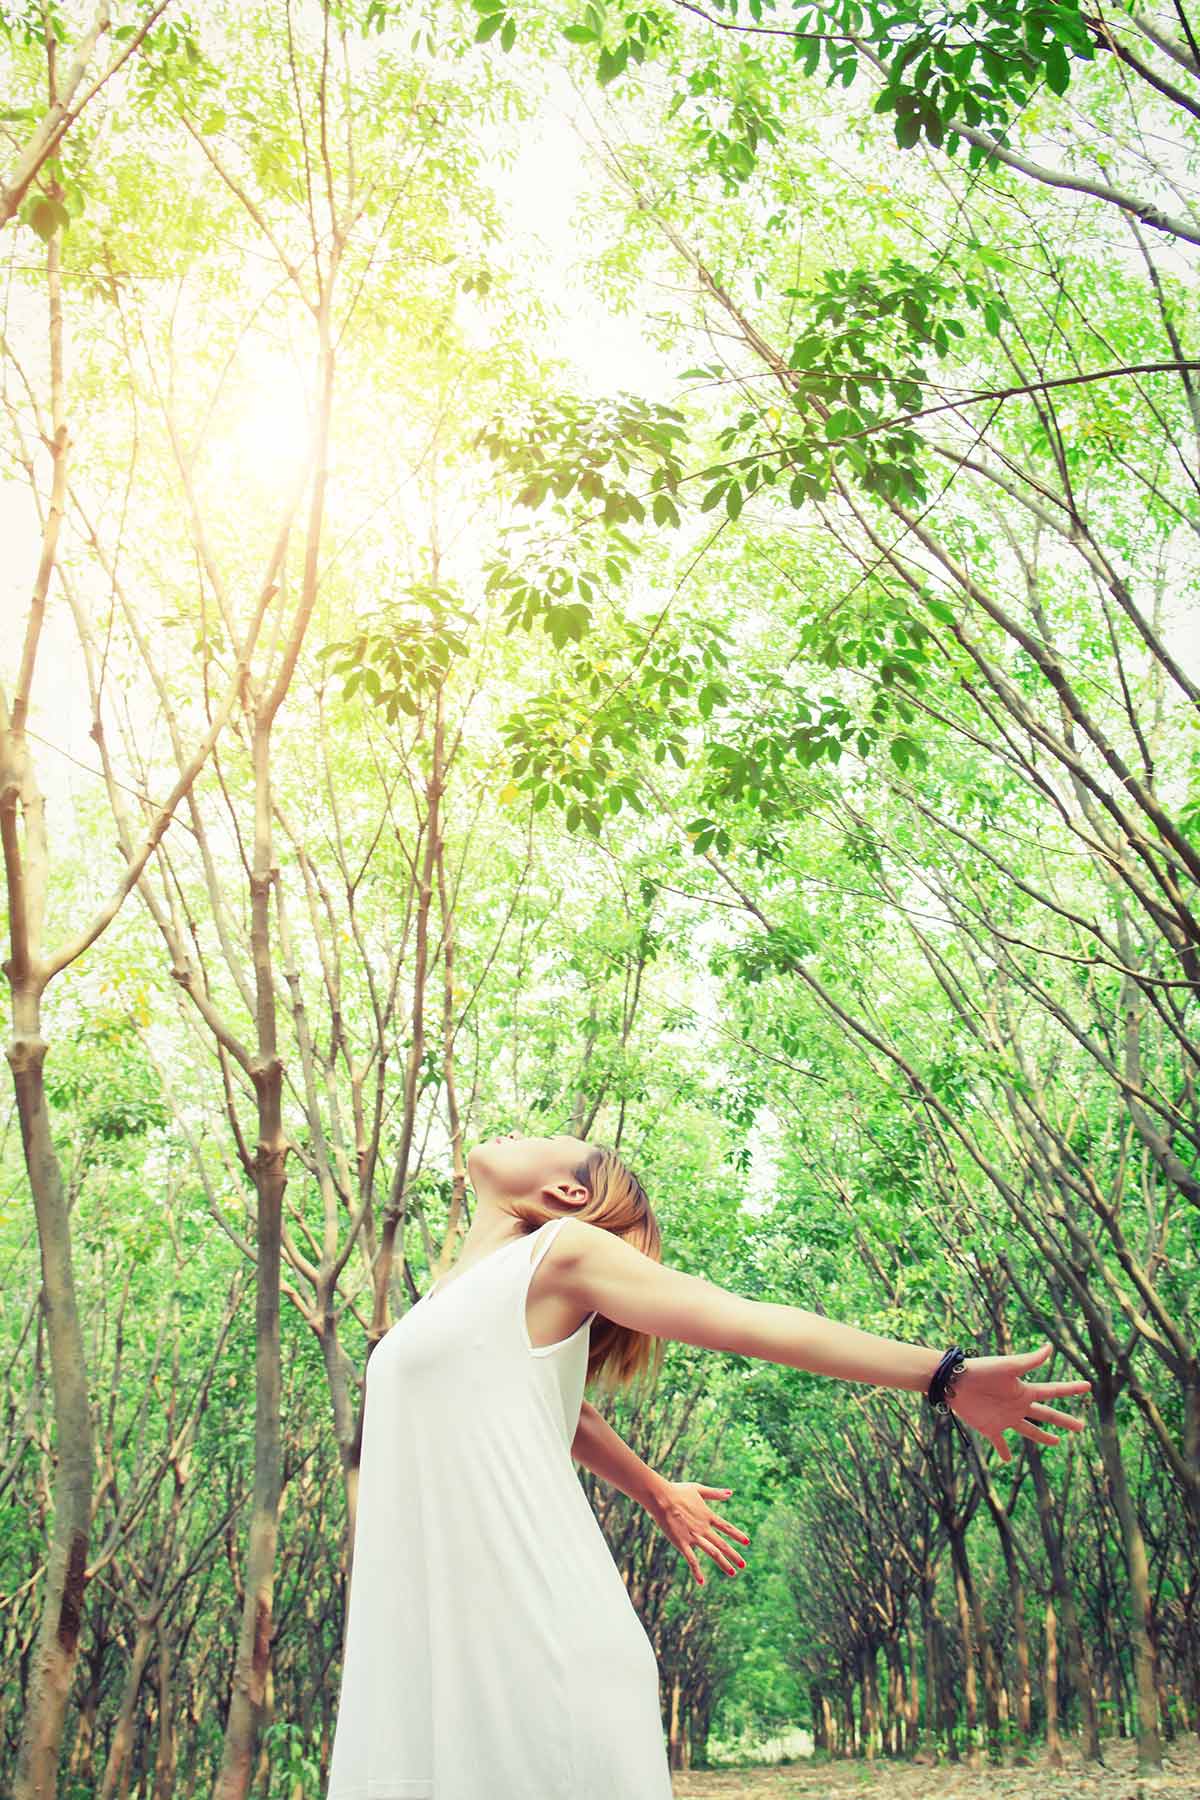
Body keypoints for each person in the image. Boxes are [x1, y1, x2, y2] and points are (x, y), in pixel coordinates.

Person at [325, 1132, 1091, 1800]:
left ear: (566, 1191)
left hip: (532, 1641)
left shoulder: (560, 1251)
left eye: (549, 1137)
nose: (520, 1132)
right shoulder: (452, 1300)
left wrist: (943, 1375)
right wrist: (654, 1489)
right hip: (444, 1644)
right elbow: (556, 1411)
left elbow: (745, 1321)